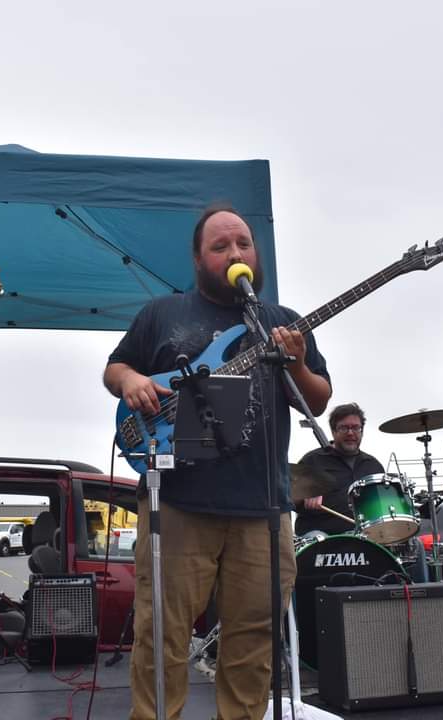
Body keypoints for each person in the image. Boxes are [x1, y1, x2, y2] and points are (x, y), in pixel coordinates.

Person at [104, 206, 331, 720]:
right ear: (198, 258)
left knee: (254, 643)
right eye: (221, 246)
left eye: (244, 244)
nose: (235, 254)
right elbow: (116, 366)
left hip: (263, 505)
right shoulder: (163, 314)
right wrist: (131, 381)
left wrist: (294, 359)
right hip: (179, 502)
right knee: (162, 636)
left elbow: (315, 400)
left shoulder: (282, 321)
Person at [293, 402, 382, 537]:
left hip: (362, 535)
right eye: (344, 428)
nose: (350, 433)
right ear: (333, 431)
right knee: (317, 540)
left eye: (355, 428)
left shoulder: (373, 466)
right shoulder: (312, 460)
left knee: (414, 546)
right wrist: (306, 494)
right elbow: (289, 498)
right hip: (319, 533)